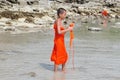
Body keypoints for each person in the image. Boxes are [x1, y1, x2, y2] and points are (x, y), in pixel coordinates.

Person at [50, 8, 74, 72]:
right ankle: (55, 73)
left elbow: (62, 32)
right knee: (58, 55)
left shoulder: (60, 21)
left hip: (61, 40)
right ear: (60, 14)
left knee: (64, 55)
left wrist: (68, 29)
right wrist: (68, 29)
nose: (65, 15)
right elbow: (59, 32)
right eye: (64, 14)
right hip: (58, 41)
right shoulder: (58, 21)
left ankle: (63, 72)